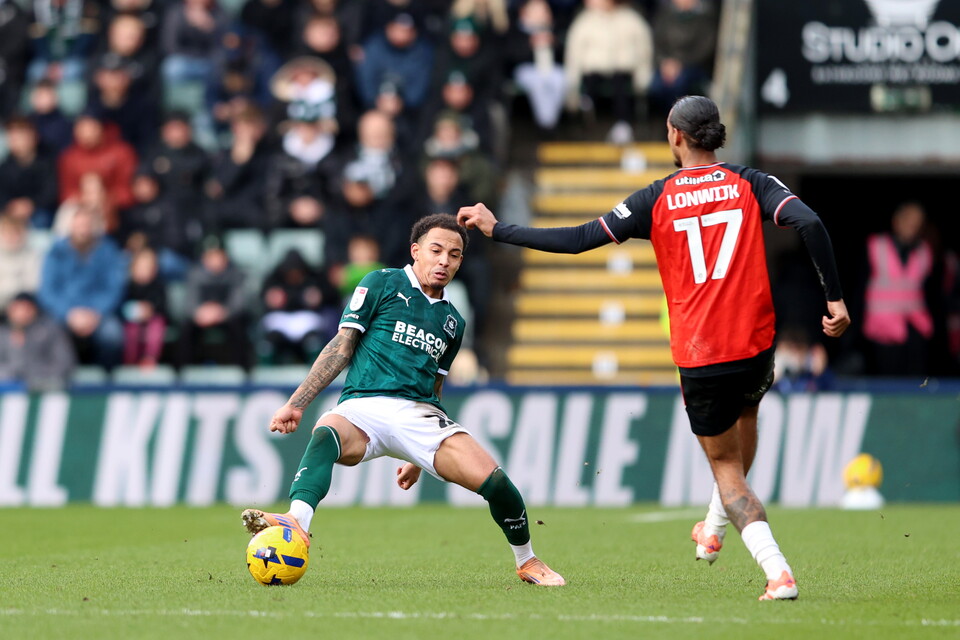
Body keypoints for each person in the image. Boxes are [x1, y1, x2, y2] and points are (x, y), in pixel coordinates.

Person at [458, 95, 851, 600]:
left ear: (675, 136)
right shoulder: (752, 182)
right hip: (755, 344)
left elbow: (579, 239)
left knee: (726, 470)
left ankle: (777, 571)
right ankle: (712, 527)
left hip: (702, 353)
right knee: (745, 420)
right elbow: (811, 223)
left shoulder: (656, 198)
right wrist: (834, 300)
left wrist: (499, 229)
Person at [240, 213, 565, 587]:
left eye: (454, 255)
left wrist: (416, 454)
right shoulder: (383, 282)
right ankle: (297, 519)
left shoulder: (453, 322)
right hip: (363, 406)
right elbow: (342, 346)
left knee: (497, 483)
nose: (444, 261)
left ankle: (527, 561)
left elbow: (436, 386)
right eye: (436, 250)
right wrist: (297, 403)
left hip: (419, 415)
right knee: (326, 430)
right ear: (416, 251)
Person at [862, 201, 934, 377]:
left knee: (915, 378)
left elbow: (931, 292)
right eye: (910, 220)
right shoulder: (876, 246)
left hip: (915, 326)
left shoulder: (924, 251)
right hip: (881, 329)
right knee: (887, 379)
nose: (913, 226)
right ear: (897, 221)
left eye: (918, 222)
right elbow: (858, 289)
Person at [0, 292, 76, 391]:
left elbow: (65, 363)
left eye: (26, 309)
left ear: (35, 310)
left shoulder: (50, 330)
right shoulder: (3, 333)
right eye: (17, 309)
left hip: (44, 389)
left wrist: (35, 377)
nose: (21, 313)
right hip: (7, 391)